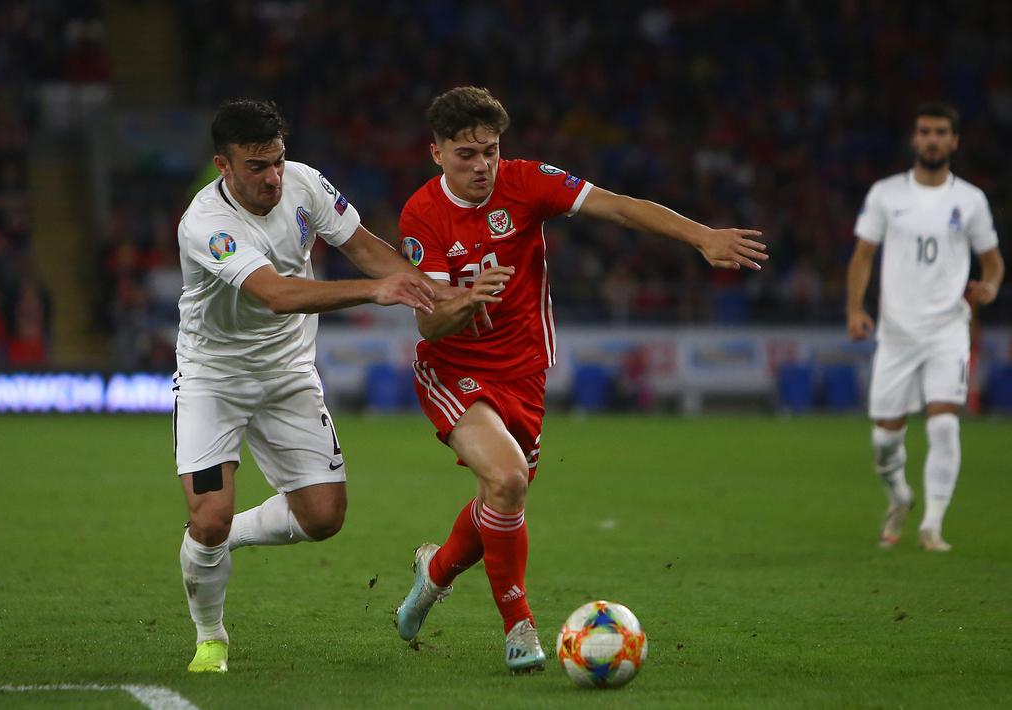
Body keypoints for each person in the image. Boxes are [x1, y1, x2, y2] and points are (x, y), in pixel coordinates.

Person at [394, 86, 767, 672]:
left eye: (490, 150)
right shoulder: (422, 213)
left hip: (526, 374)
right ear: (436, 153)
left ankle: (434, 572)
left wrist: (701, 237)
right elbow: (429, 322)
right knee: (509, 478)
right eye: (466, 154)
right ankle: (520, 629)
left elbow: (617, 206)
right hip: (455, 371)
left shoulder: (526, 181)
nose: (482, 165)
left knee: (502, 493)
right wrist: (467, 302)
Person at [174, 99, 440, 673]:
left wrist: (432, 291)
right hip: (213, 380)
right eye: (256, 166)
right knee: (209, 516)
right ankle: (211, 636)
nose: (272, 177)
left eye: (277, 160)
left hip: (288, 374)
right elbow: (277, 295)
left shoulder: (303, 183)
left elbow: (365, 248)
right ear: (223, 165)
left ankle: (222, 533)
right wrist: (375, 293)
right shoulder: (206, 225)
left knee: (323, 517)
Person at [846, 101, 1003, 552]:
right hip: (896, 332)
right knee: (884, 440)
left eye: (940, 132)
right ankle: (900, 496)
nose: (932, 139)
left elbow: (993, 262)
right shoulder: (885, 195)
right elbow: (863, 256)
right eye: (924, 131)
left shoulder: (970, 200)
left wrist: (989, 286)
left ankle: (933, 523)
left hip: (947, 329)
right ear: (915, 139)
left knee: (943, 425)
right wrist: (855, 309)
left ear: (954, 141)